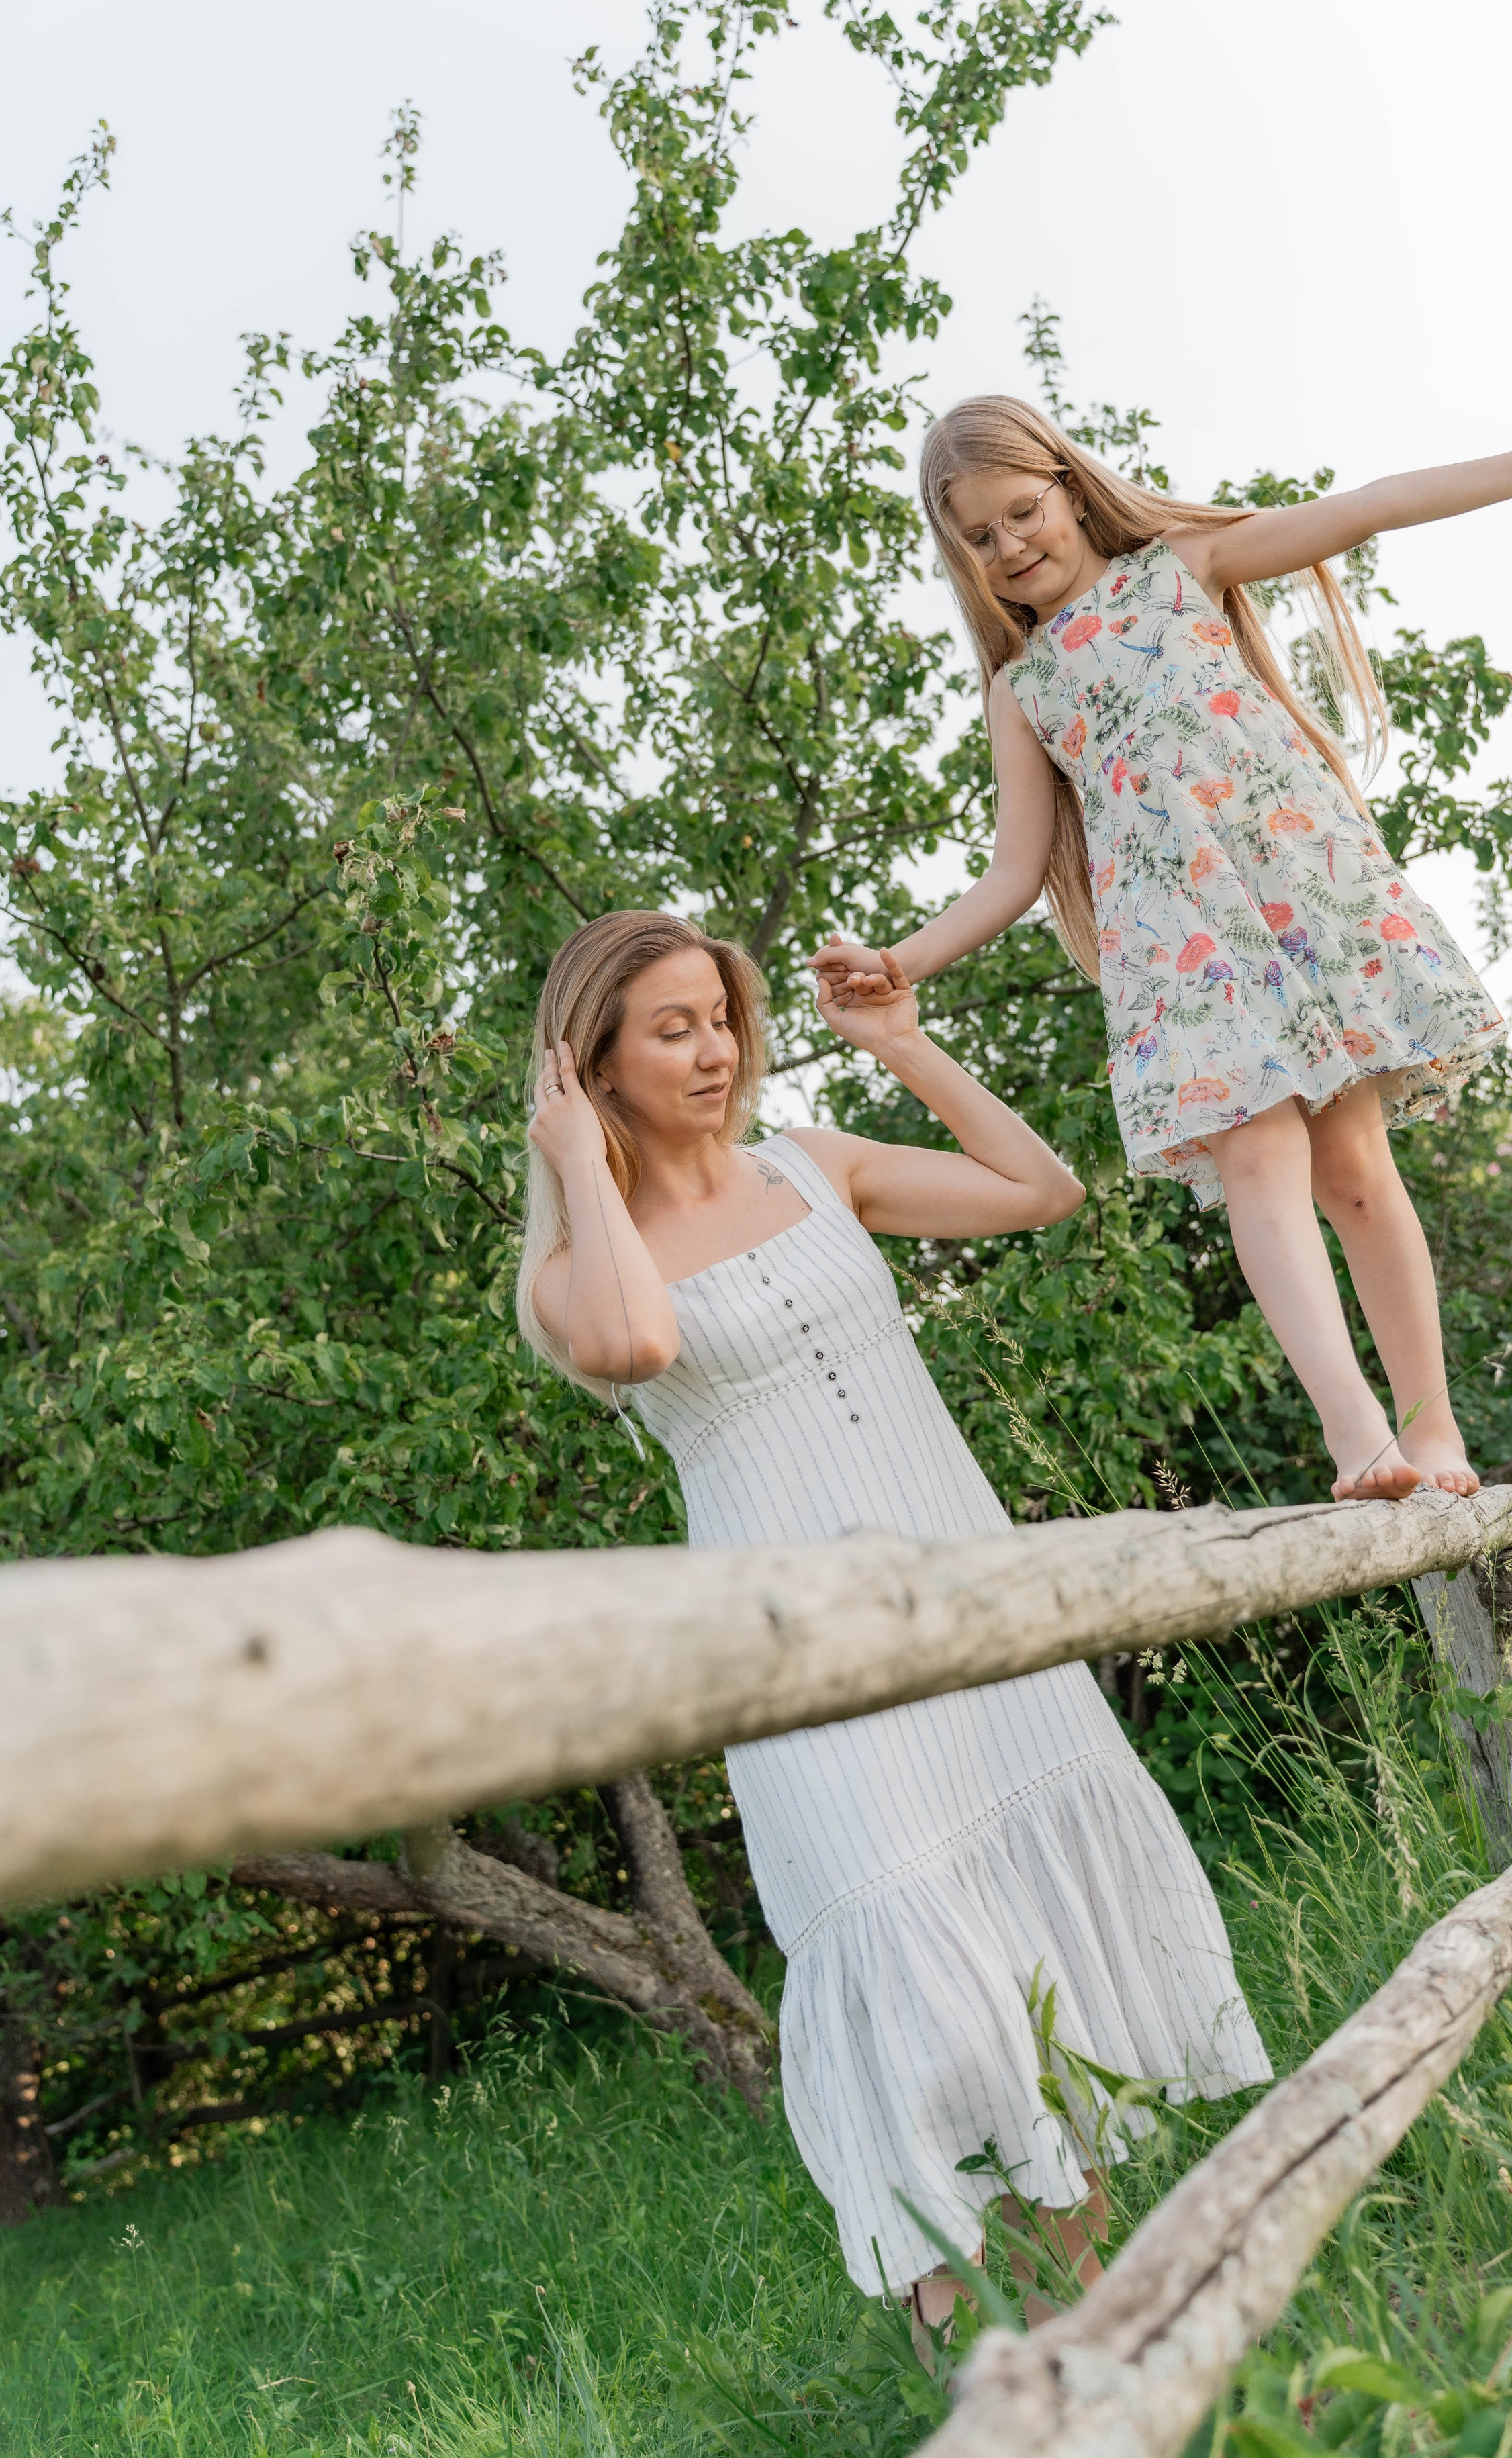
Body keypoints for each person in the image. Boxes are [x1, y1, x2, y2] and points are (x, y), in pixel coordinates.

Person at [516, 908, 1270, 2344]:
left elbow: (1037, 1188)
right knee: (921, 1977)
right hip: (803, 1661)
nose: (710, 1050)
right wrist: (574, 1167)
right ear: (590, 1062)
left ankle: (1089, 2344)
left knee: (1041, 1963)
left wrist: (905, 1048)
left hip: (964, 1605)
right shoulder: (575, 1269)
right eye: (667, 1028)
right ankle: (962, 2324)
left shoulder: (819, 1164)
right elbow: (628, 1346)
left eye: (719, 1018)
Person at [811, 383, 1512, 1503]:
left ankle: (1432, 1427)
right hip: (1181, 950)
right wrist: (902, 960)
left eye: (1023, 511)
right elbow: (1016, 871)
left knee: (1356, 1171)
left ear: (1066, 484)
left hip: (1300, 906)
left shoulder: (1183, 569)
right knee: (1259, 1159)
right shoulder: (1024, 690)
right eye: (980, 535)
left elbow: (1367, 508)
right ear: (958, 552)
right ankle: (1361, 1442)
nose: (1010, 544)